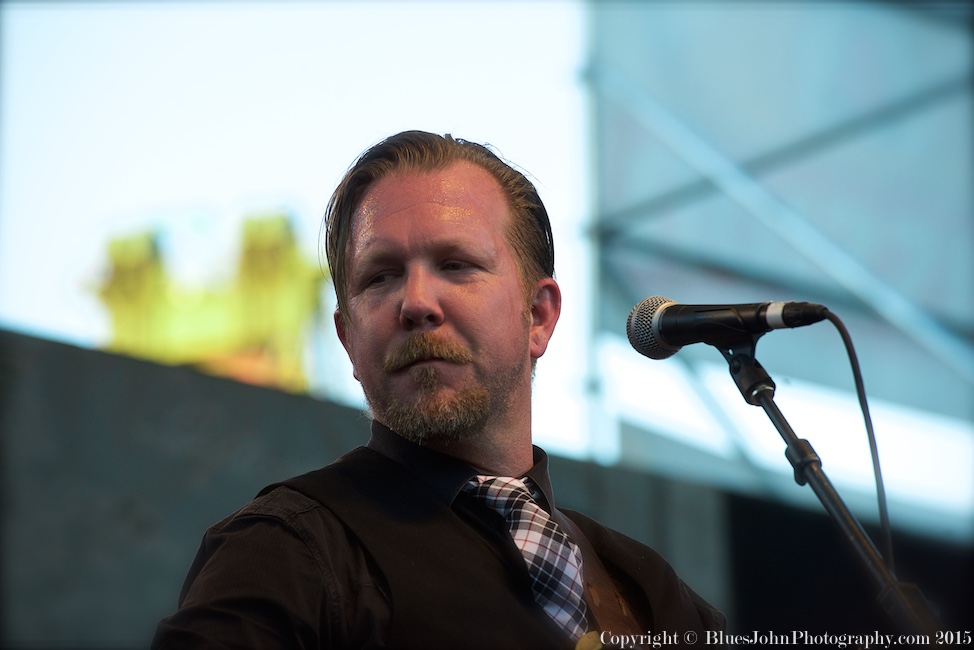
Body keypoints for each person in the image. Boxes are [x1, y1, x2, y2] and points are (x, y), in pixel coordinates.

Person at [151, 130, 726, 649]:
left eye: (455, 265)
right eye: (380, 276)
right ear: (347, 338)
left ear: (539, 316)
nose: (417, 302)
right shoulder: (287, 553)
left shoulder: (648, 588)